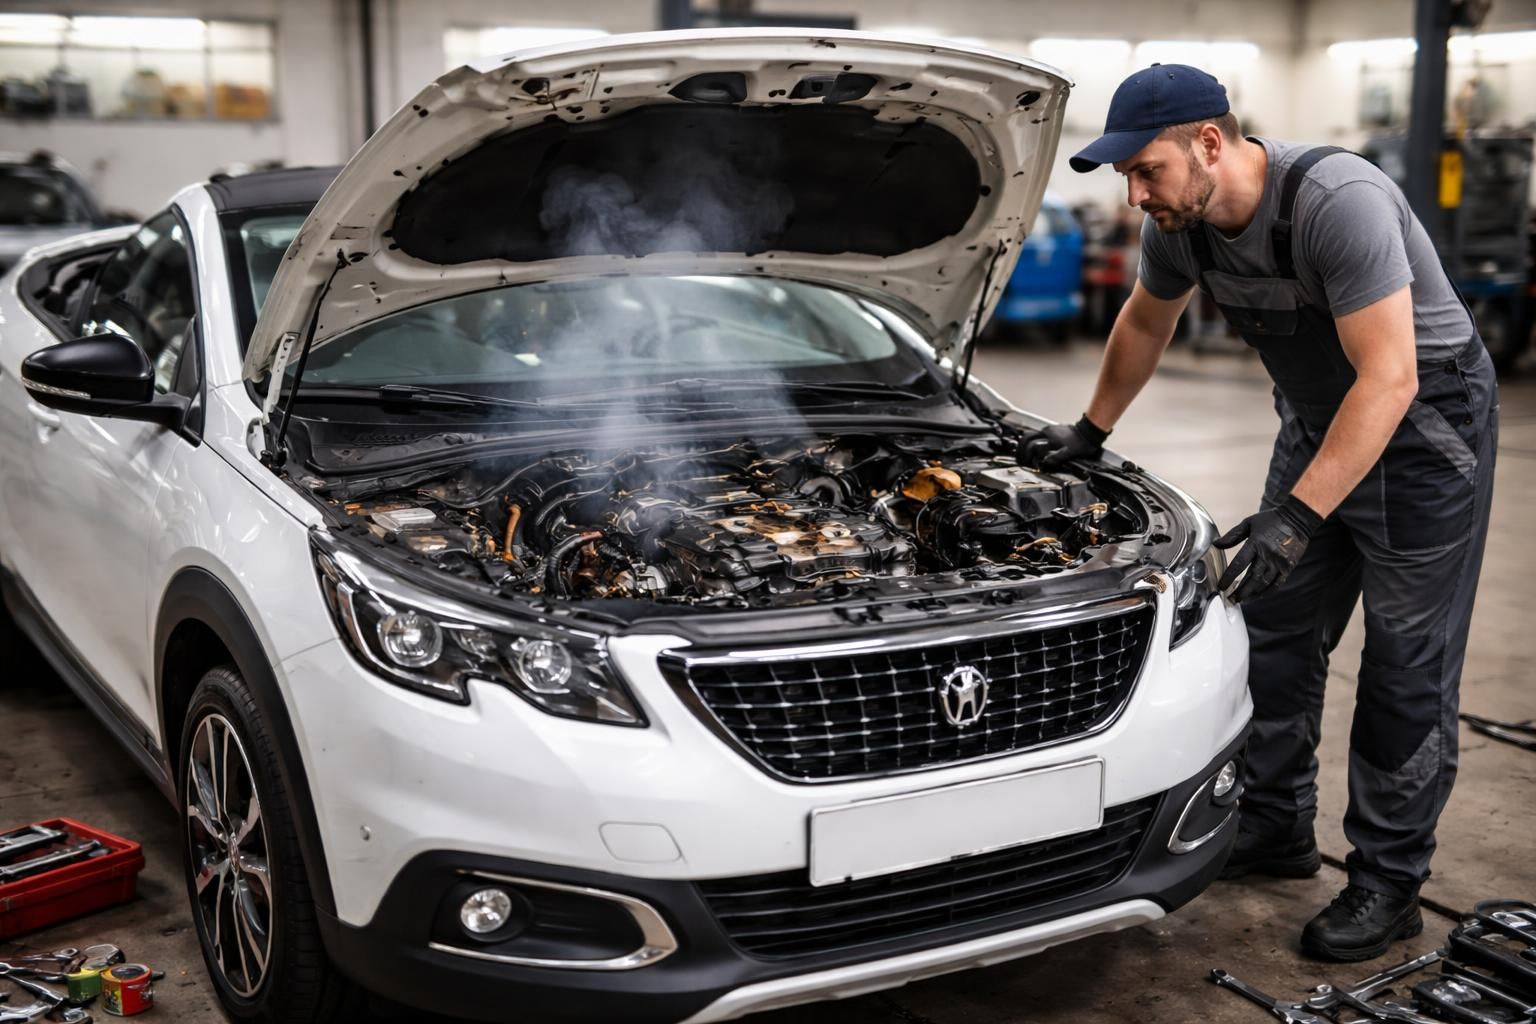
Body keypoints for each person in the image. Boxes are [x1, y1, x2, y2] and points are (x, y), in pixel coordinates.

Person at [1020, 64, 1498, 962]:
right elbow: (1144, 323)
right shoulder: (1183, 225)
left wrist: (1296, 515)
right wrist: (1089, 429)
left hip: (1425, 436)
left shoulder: (1336, 201)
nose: (1135, 194)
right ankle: (1276, 830)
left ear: (1210, 143)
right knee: (1275, 631)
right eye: (1125, 177)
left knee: (1405, 666)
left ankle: (1390, 881)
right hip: (1320, 425)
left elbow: (1391, 377)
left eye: (1146, 170)